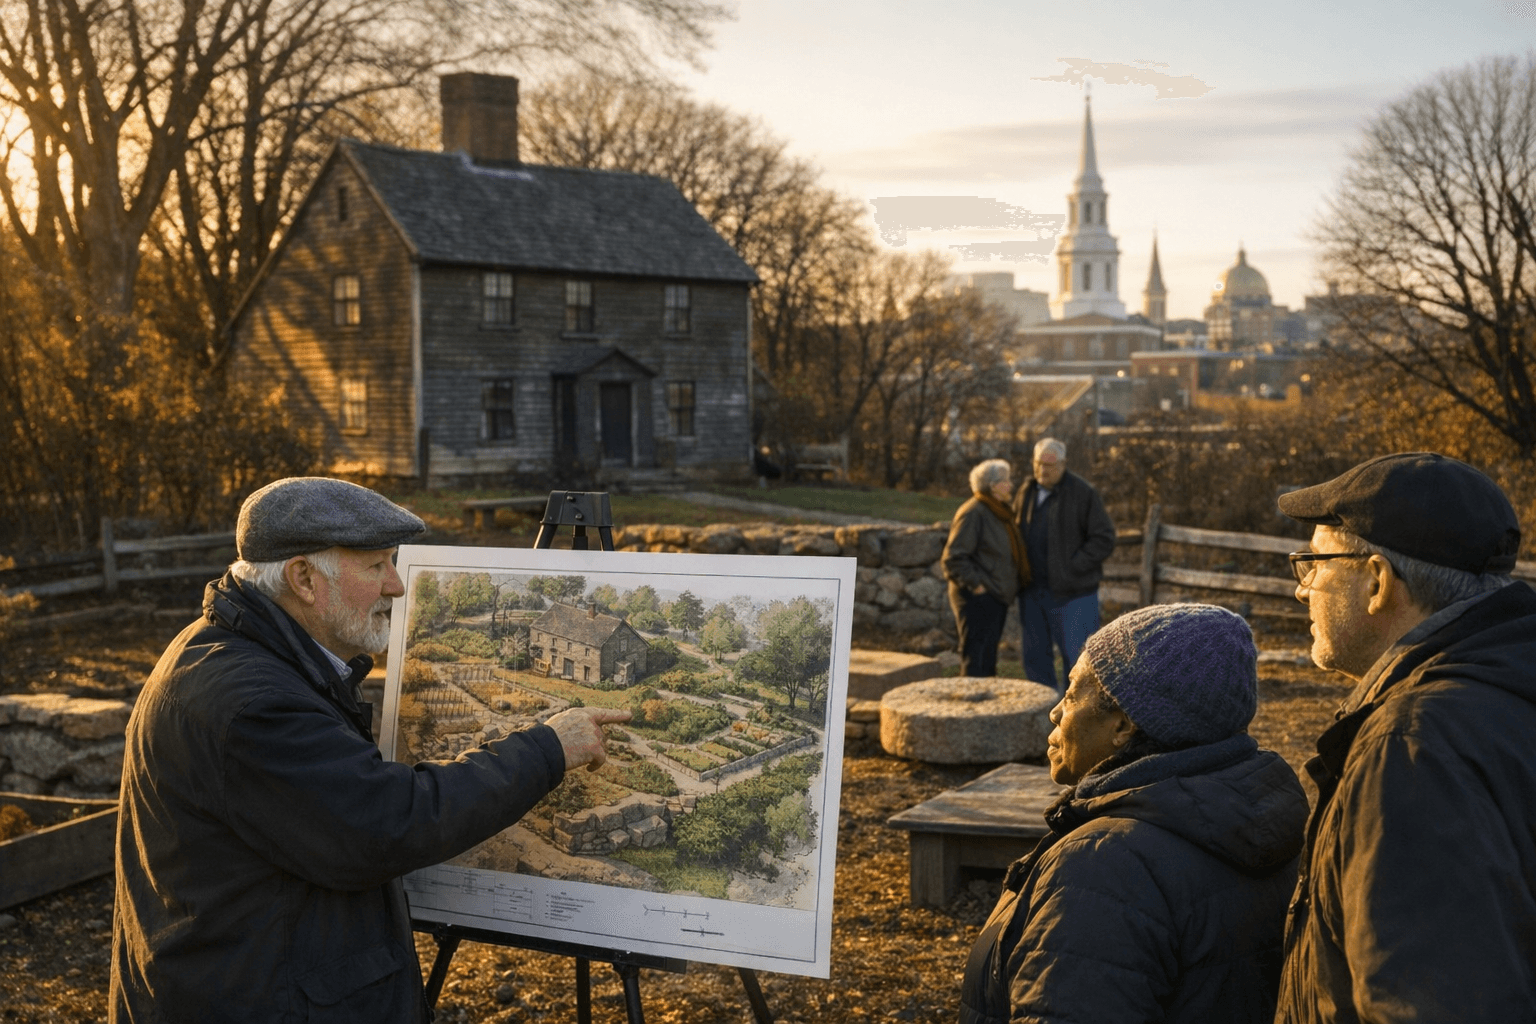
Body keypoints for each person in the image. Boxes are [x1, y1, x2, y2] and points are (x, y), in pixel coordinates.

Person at [110, 477, 630, 1023]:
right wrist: (546, 748)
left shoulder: (227, 647)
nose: (398, 587)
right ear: (304, 578)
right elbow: (385, 823)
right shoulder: (254, 704)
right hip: (258, 998)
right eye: (377, 566)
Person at [1272, 452, 1535, 1023]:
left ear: (1376, 582)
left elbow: (1430, 1003)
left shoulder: (1415, 749)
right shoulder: (1509, 686)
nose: (1302, 590)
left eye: (1314, 563)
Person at [959, 603, 1307, 1024]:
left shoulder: (1104, 865)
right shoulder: (1265, 822)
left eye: (1071, 694)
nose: (1055, 711)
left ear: (1123, 725)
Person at [1011, 438, 1116, 692]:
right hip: (1033, 591)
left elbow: (1104, 538)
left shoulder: (1083, 493)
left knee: (1079, 662)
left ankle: (1078, 721)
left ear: (1063, 464)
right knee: (1035, 658)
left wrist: (1072, 567)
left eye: (1050, 465)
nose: (1043, 471)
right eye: (1038, 465)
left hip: (1074, 594)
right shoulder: (1027, 490)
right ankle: (1044, 715)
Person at [943, 458, 1032, 676]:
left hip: (995, 597)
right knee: (976, 659)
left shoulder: (998, 511)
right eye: (1006, 480)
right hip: (977, 597)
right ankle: (972, 706)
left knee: (988, 657)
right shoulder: (974, 512)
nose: (1011, 485)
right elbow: (953, 558)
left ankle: (988, 706)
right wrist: (977, 587)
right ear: (993, 486)